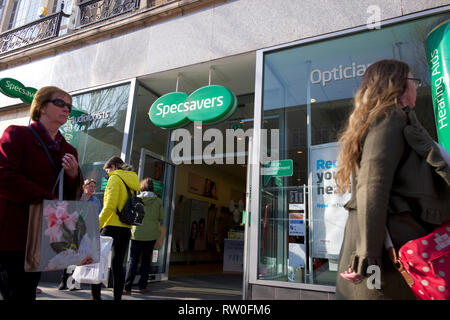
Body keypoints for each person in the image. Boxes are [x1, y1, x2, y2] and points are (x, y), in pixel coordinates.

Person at [335, 59, 450, 300]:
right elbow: (372, 186)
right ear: (397, 85)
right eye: (413, 81)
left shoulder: (393, 120)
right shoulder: (390, 117)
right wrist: (368, 256)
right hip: (389, 255)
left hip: (391, 249)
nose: (416, 87)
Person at [0, 86, 82, 301]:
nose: (66, 109)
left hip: (46, 234)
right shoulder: (17, 134)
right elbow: (4, 175)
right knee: (13, 291)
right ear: (42, 106)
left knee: (27, 291)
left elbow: (72, 196)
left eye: (69, 106)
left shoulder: (70, 150)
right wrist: (47, 199)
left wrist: (74, 175)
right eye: (60, 103)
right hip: (16, 231)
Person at [90, 156, 140, 301]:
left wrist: (96, 225)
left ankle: (96, 297)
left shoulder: (115, 179)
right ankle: (117, 297)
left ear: (112, 167)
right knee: (118, 265)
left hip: (110, 226)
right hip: (125, 228)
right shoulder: (132, 182)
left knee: (98, 263)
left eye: (107, 171)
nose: (107, 175)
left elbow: (109, 207)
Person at [58, 178, 102, 290]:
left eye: (94, 186)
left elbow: (97, 217)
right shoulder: (78, 198)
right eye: (90, 186)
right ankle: (64, 281)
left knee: (80, 258)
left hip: (87, 231)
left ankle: (74, 283)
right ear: (84, 187)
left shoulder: (96, 201)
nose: (92, 188)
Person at [124, 178, 164, 294]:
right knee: (146, 261)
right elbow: (162, 217)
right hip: (151, 235)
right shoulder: (158, 201)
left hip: (137, 233)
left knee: (133, 260)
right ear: (152, 187)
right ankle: (143, 287)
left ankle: (127, 288)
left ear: (141, 187)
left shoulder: (137, 199)